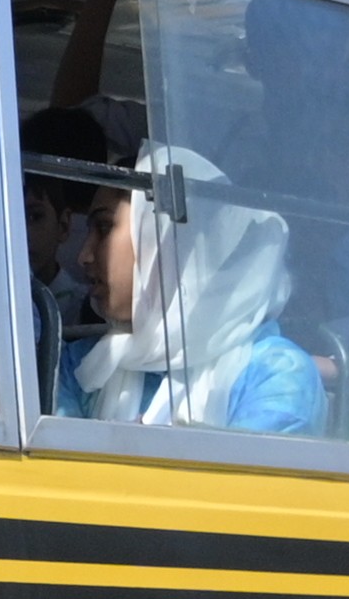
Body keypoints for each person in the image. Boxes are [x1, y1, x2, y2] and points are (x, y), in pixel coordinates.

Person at [48, 118, 329, 434]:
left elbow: (251, 482)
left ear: (166, 240)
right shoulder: (80, 365)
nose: (83, 256)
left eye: (104, 228)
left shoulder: (277, 375)